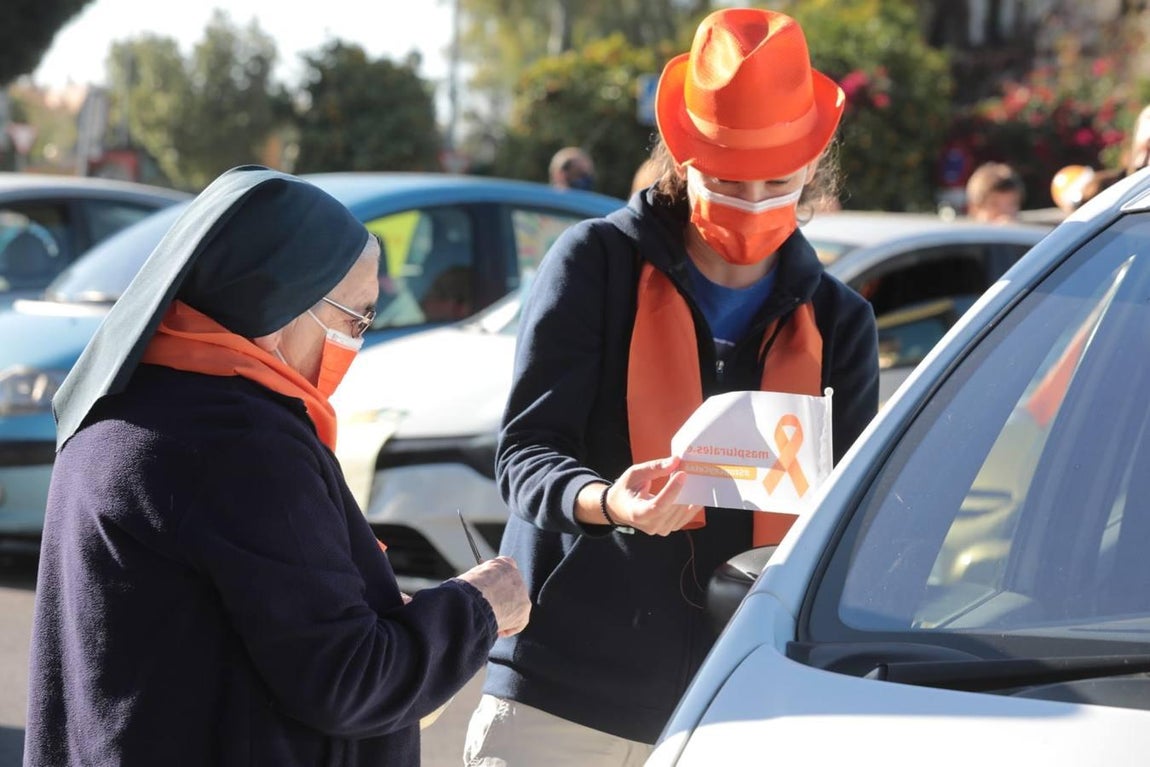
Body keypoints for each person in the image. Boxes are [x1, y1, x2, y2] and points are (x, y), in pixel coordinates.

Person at [464, 8, 878, 766]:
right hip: (563, 699)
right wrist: (610, 500)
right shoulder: (594, 264)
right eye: (727, 180)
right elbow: (526, 452)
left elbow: (845, 520)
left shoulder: (839, 323)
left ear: (813, 167)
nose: (752, 201)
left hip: (737, 711)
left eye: (775, 182)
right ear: (682, 157)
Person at [24, 165, 531, 766]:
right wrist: (476, 608)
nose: (357, 340)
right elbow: (347, 679)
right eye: (356, 318)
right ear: (282, 303)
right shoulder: (241, 444)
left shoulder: (132, 397)